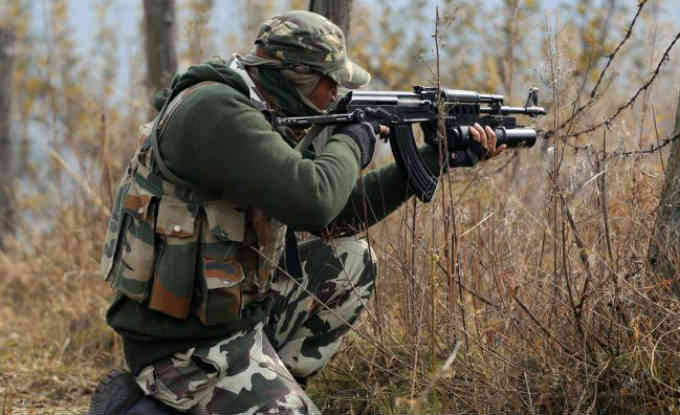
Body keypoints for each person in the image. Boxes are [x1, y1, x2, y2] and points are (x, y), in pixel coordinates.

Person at [89, 9, 503, 415]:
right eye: (332, 83)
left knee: (349, 262)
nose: (337, 95)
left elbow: (334, 216)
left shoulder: (264, 111)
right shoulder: (215, 111)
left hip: (235, 320)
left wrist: (432, 159)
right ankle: (143, 406)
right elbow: (313, 200)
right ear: (299, 77)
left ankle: (263, 387)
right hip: (179, 349)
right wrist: (353, 138)